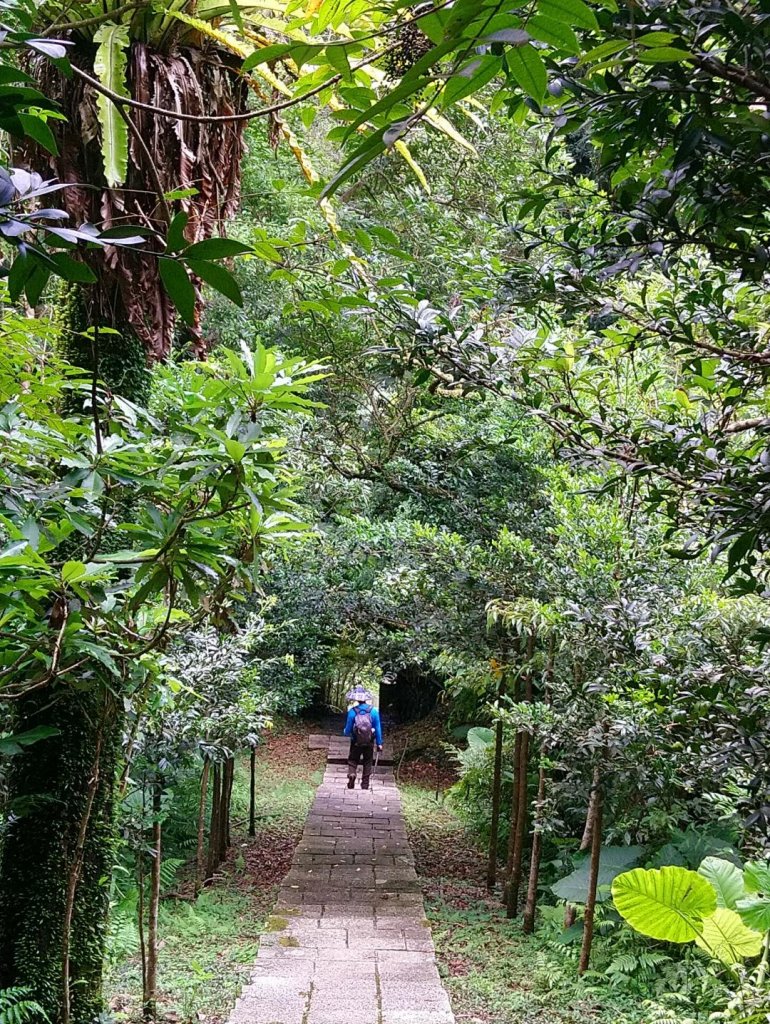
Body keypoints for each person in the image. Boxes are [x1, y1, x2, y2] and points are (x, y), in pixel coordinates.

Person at [343, 687, 383, 789]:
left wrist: (346, 731)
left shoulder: (352, 711)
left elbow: (347, 731)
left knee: (353, 760)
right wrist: (379, 743)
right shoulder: (373, 711)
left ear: (356, 699)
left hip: (356, 741)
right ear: (366, 698)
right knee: (368, 761)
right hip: (369, 741)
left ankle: (352, 774)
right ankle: (365, 784)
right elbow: (378, 728)